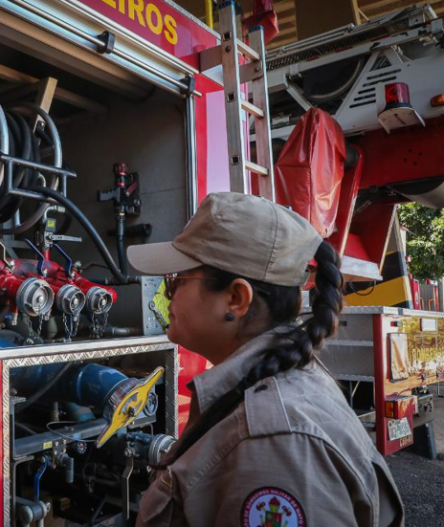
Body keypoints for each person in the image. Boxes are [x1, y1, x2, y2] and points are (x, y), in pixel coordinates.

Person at [127, 192, 404, 527]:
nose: (166, 295)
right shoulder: (275, 392)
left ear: (235, 298)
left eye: (177, 282)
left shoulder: (274, 444)